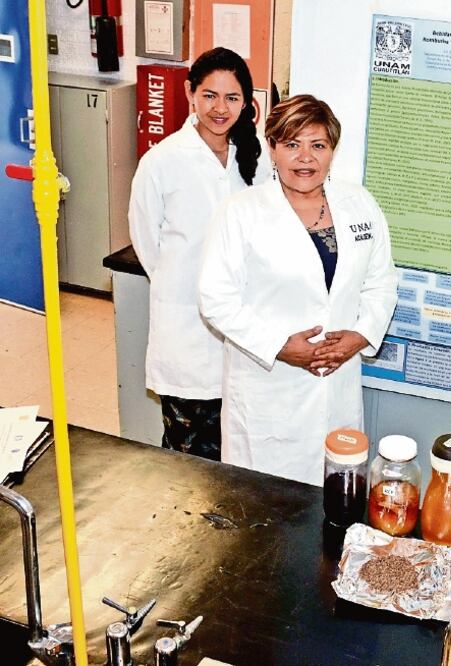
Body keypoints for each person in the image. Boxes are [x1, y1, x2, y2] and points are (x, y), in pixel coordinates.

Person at [198, 95, 398, 485]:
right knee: (263, 499)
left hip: (336, 383)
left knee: (335, 493)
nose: (305, 157)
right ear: (272, 148)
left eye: (317, 145)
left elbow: (382, 281)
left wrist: (360, 335)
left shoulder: (359, 204)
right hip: (268, 387)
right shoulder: (240, 212)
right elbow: (216, 299)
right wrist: (279, 346)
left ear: (332, 151)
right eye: (292, 144)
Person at [128, 47, 267, 459]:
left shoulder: (258, 159)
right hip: (185, 332)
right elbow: (148, 245)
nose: (220, 108)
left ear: (247, 102)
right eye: (210, 95)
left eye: (232, 98)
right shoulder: (161, 162)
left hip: (244, 330)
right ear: (190, 92)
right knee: (186, 461)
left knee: (239, 457)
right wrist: (186, 283)